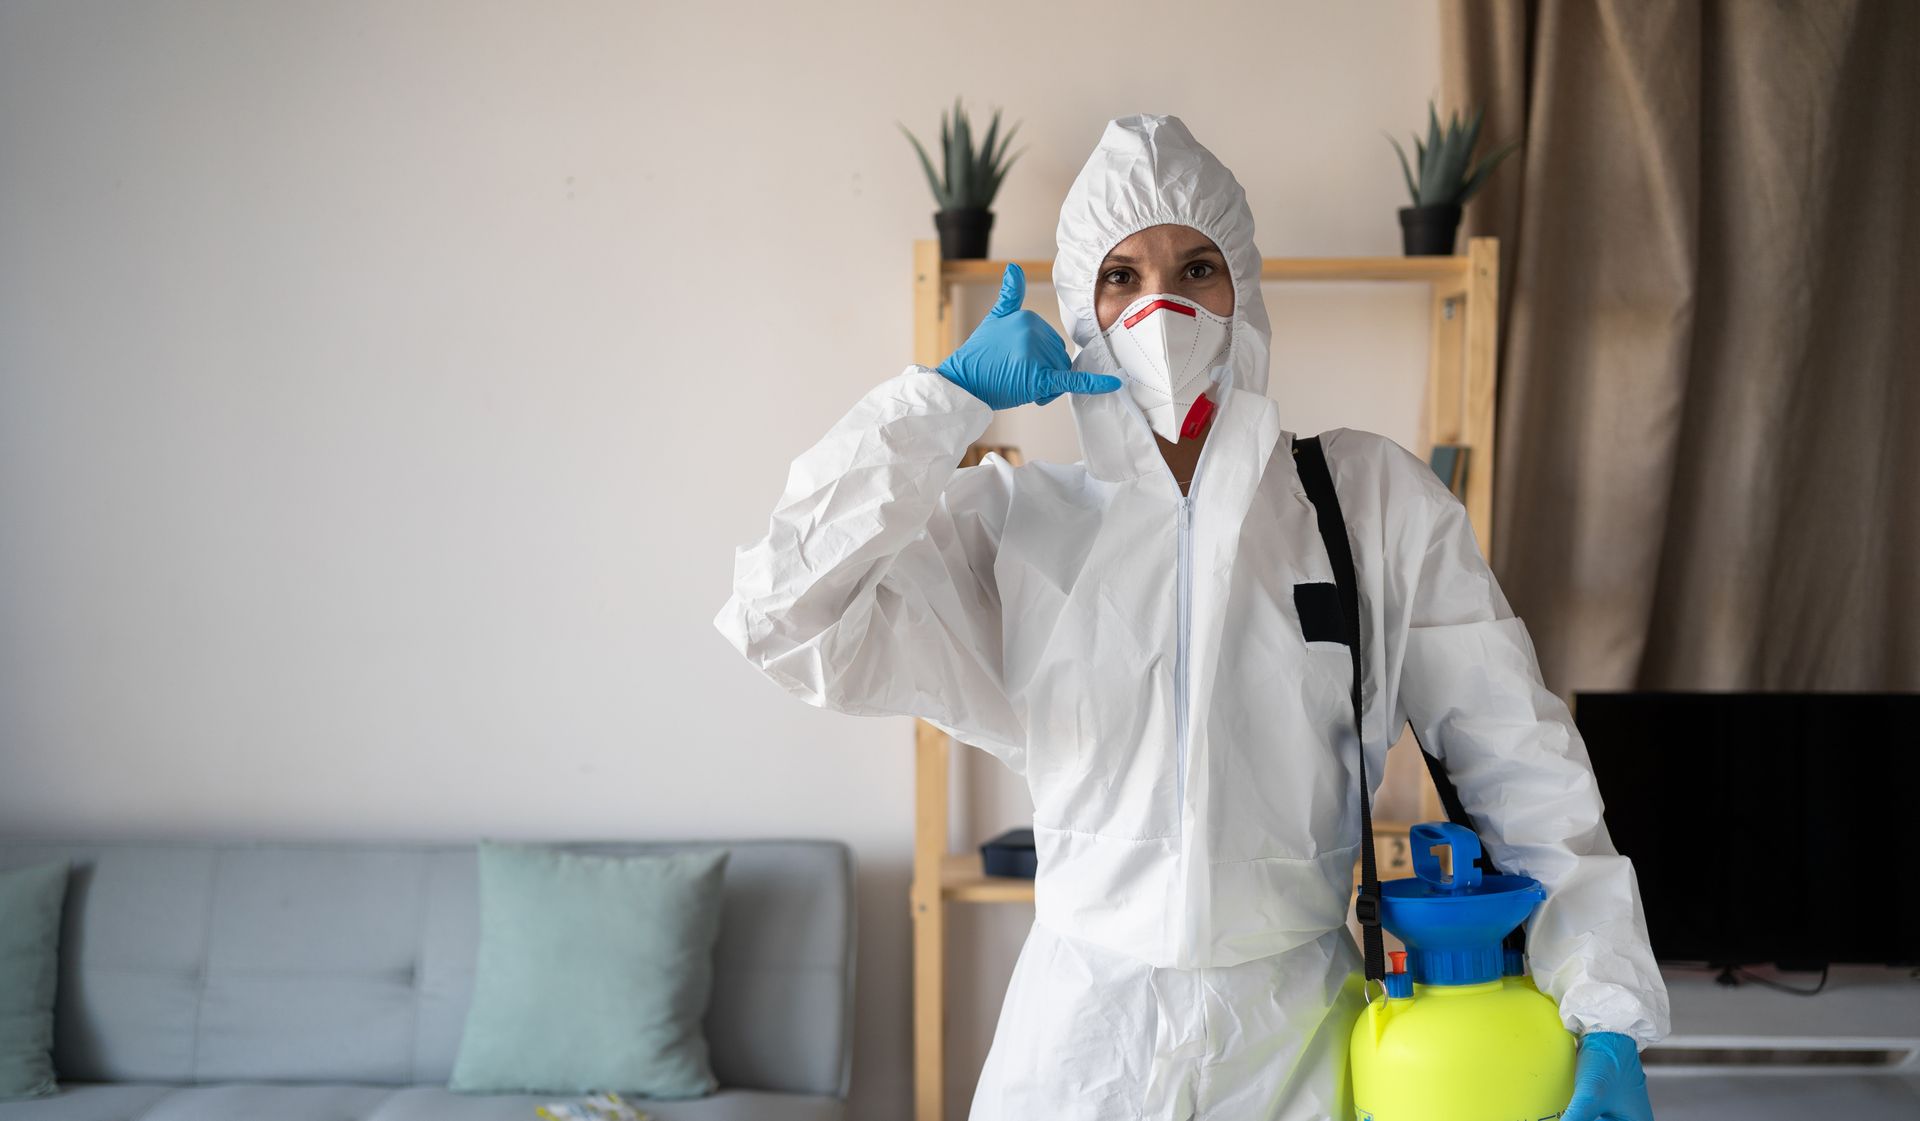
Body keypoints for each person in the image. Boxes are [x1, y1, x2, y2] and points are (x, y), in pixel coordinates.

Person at [715, 114, 1668, 1121]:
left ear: (1244, 294)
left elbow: (1517, 756)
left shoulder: (1367, 503)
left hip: (1296, 1042)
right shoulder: (1013, 523)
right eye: (1120, 275)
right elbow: (782, 611)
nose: (1161, 304)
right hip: (1082, 1049)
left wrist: (1604, 1008)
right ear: (1079, 307)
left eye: (1197, 266)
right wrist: (941, 402)